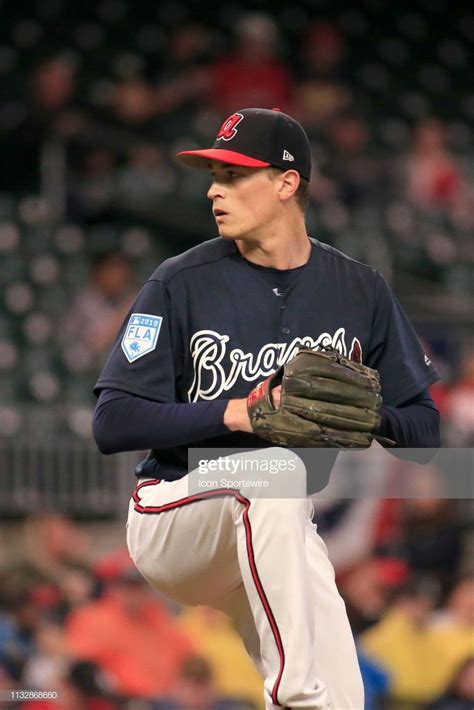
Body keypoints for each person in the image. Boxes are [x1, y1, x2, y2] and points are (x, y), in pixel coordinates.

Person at [93, 107, 441, 709]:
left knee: (345, 687)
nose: (213, 190)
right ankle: (293, 698)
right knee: (275, 473)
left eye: (233, 175)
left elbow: (425, 429)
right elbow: (112, 420)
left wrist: (370, 417)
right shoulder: (178, 282)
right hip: (176, 517)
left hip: (275, 530)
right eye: (214, 174)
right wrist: (238, 413)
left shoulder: (359, 289)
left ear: (286, 184)